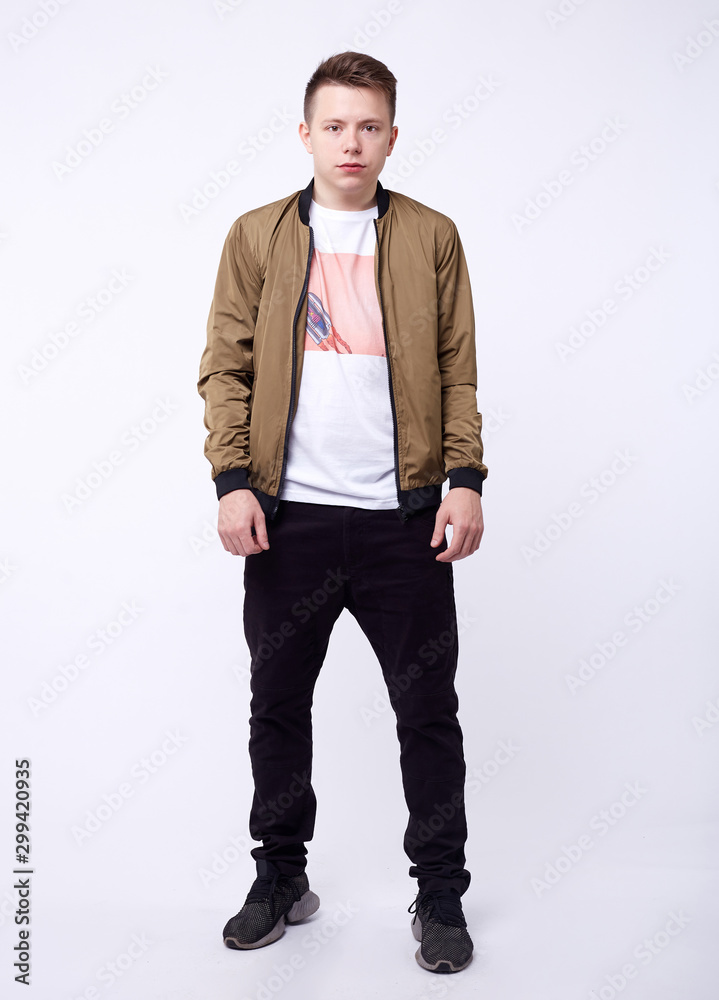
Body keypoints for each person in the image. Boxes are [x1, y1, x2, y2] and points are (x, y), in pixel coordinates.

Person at [197, 50, 488, 974]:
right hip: (289, 519)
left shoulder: (432, 236)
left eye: (368, 126)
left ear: (391, 136)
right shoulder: (256, 236)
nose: (350, 142)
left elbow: (456, 368)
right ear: (305, 134)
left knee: (426, 712)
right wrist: (232, 480)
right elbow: (225, 367)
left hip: (404, 518)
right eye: (334, 125)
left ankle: (439, 893)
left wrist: (465, 478)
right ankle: (280, 877)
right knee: (277, 706)